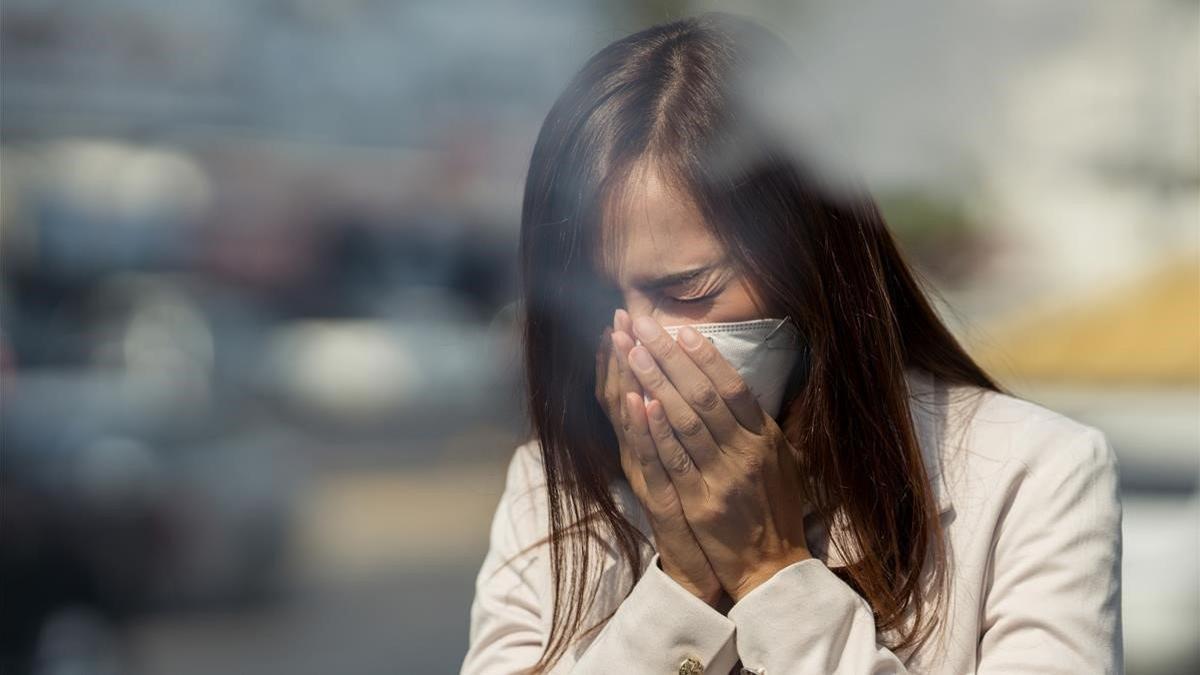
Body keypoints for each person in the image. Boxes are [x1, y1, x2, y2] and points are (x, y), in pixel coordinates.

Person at [461, 11, 1122, 675]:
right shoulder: (558, 489)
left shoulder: (1031, 476)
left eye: (687, 290)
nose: (640, 342)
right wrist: (683, 589)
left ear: (810, 264)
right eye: (602, 302)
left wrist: (770, 571)